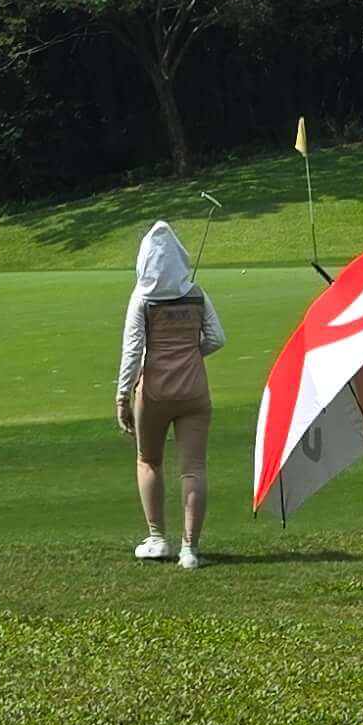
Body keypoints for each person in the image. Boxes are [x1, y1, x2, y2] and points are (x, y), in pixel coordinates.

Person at [116, 219, 225, 569]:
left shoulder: (142, 298)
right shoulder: (197, 293)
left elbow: (133, 353)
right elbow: (217, 338)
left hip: (155, 392)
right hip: (195, 390)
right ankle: (190, 550)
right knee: (193, 467)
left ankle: (157, 538)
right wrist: (192, 355)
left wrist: (121, 397)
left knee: (149, 460)